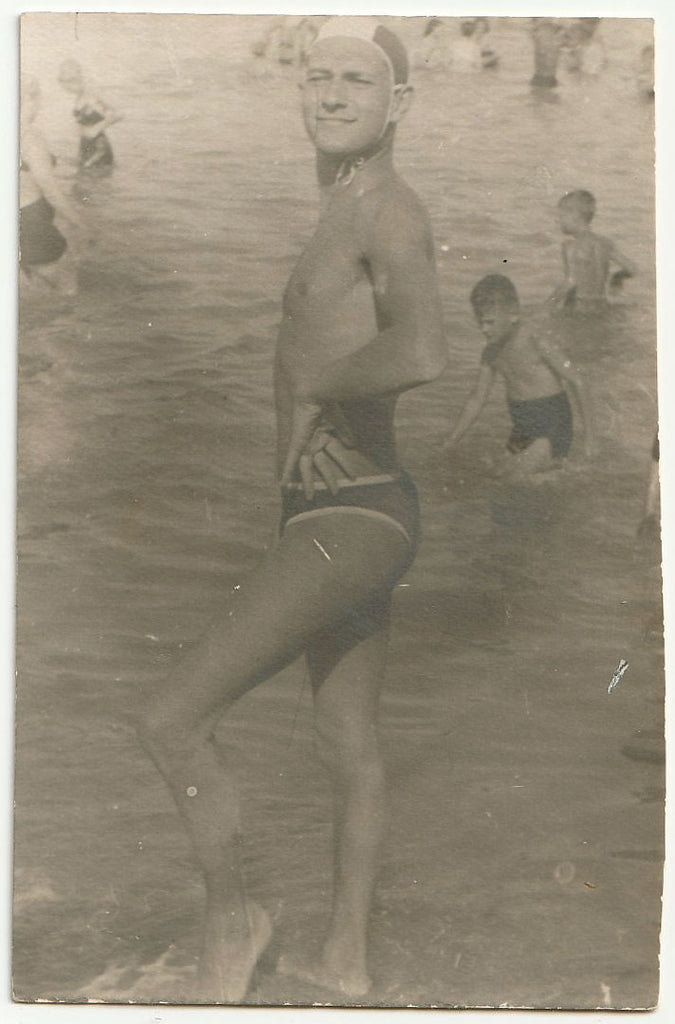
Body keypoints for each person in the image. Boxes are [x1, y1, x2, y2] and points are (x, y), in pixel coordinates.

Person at [137, 16, 446, 1004]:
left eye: (355, 79)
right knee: (346, 747)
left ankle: (237, 915)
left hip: (349, 513)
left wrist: (321, 394)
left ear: (398, 102)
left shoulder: (387, 210)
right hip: (349, 513)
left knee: (170, 717)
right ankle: (345, 961)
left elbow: (424, 350)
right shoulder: (343, 206)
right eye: (316, 76)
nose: (329, 93)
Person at [444, 274, 593, 478]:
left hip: (553, 425)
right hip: (522, 428)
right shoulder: (491, 353)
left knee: (514, 479)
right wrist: (451, 440)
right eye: (479, 323)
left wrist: (590, 438)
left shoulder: (533, 339)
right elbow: (477, 399)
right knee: (495, 474)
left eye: (490, 322)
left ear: (513, 314)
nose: (483, 330)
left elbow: (578, 380)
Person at [20, 75, 90, 294]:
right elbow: (51, 192)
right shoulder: (29, 138)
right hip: (31, 224)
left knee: (29, 294)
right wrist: (81, 224)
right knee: (68, 289)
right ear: (30, 100)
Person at [550, 190, 637, 314]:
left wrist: (547, 306)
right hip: (602, 307)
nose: (557, 221)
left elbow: (570, 282)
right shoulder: (605, 243)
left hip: (579, 310)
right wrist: (617, 277)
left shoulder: (569, 246)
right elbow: (632, 269)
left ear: (574, 217)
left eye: (561, 216)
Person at [57, 59, 120, 171]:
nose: (66, 88)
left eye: (68, 82)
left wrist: (96, 128)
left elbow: (118, 113)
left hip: (98, 148)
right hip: (86, 145)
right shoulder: (80, 95)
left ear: (77, 78)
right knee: (83, 180)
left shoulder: (91, 94)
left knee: (93, 180)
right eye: (62, 82)